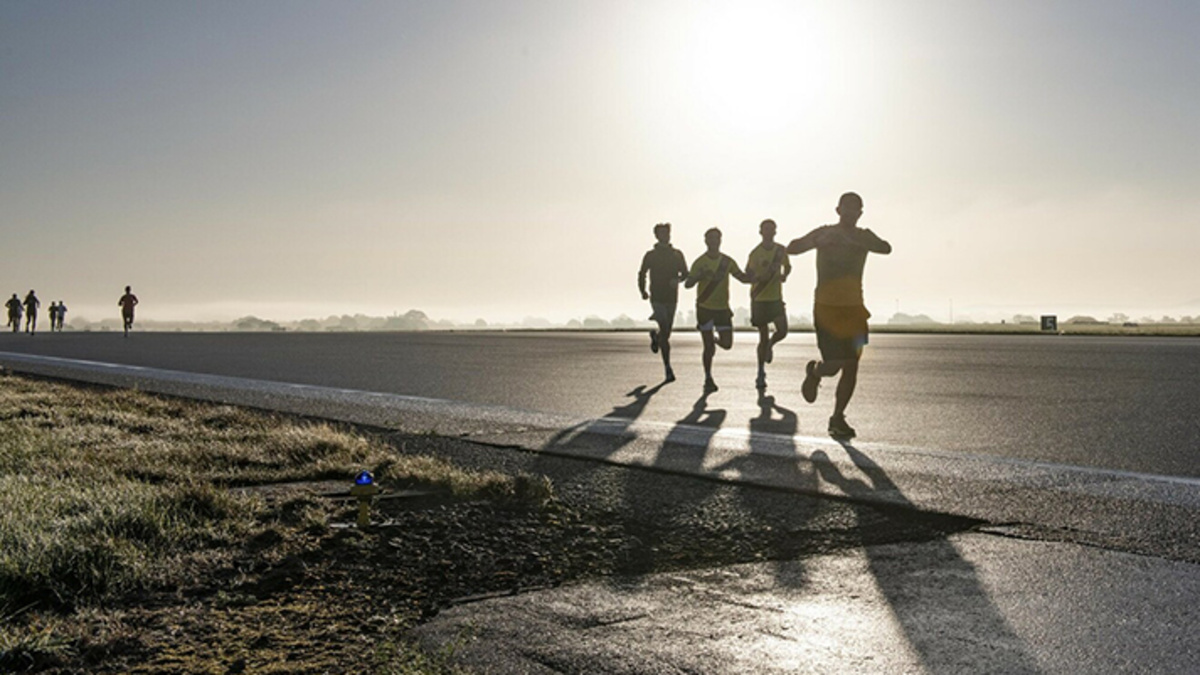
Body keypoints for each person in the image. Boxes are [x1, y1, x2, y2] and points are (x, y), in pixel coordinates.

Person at [787, 192, 891, 439]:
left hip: (854, 308)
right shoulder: (825, 232)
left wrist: (861, 243)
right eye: (846, 208)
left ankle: (837, 417)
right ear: (838, 210)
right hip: (827, 308)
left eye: (855, 209)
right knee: (834, 366)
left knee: (852, 366)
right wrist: (818, 241)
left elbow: (886, 248)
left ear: (860, 213)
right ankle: (815, 372)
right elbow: (792, 248)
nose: (851, 213)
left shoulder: (863, 236)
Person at [685, 227, 751, 392]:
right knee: (708, 348)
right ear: (706, 241)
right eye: (711, 238)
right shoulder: (700, 262)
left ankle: (714, 339)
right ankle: (708, 378)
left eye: (717, 238)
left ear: (720, 240)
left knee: (727, 344)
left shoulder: (727, 261)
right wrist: (699, 276)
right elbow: (688, 284)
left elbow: (742, 278)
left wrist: (756, 277)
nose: (714, 241)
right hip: (704, 308)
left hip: (722, 309)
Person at [638, 222, 690, 382]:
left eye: (667, 233)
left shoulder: (677, 254)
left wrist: (678, 280)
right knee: (665, 330)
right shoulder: (650, 255)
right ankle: (668, 368)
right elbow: (642, 273)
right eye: (661, 233)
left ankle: (656, 337)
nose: (665, 236)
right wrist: (643, 291)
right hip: (657, 297)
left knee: (666, 333)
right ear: (656, 236)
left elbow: (685, 273)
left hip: (672, 298)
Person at [746, 218, 792, 390]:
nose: (769, 232)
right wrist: (758, 277)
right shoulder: (755, 253)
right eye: (766, 229)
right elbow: (748, 273)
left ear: (775, 231)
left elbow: (788, 266)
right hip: (759, 298)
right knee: (762, 337)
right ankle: (760, 372)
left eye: (772, 229)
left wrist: (784, 275)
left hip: (775, 298)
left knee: (783, 331)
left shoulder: (781, 250)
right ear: (761, 232)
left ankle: (771, 346)